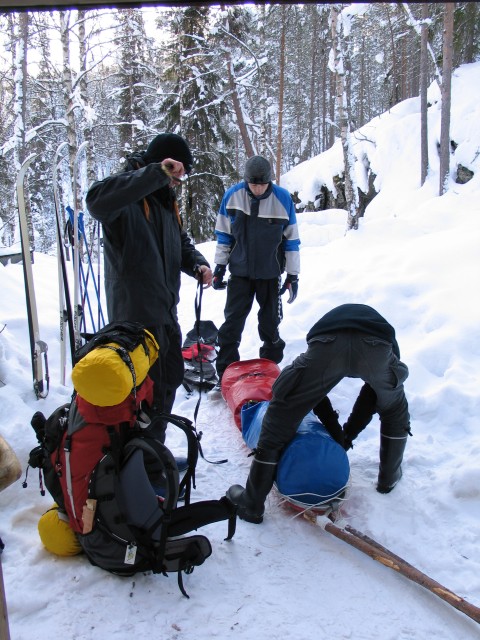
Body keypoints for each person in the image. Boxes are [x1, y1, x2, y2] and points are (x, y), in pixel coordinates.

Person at [227, 303, 411, 523]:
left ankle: (251, 504)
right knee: (394, 410)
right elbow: (372, 399)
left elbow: (315, 396)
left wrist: (339, 435)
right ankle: (388, 478)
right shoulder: (388, 348)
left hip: (327, 342)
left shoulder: (330, 332)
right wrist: (344, 438)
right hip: (377, 346)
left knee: (281, 409)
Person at [86, 133, 213, 440]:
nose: (176, 184)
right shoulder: (127, 196)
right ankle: (139, 458)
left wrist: (197, 264)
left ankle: (153, 453)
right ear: (161, 165)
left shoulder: (165, 202)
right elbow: (96, 202)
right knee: (141, 399)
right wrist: (156, 173)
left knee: (168, 382)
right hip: (135, 322)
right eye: (174, 175)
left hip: (165, 314)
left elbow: (179, 242)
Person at [212, 155, 300, 382]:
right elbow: (224, 235)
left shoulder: (282, 198)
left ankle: (270, 369)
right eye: (253, 184)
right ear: (246, 180)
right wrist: (220, 267)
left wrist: (293, 275)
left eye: (262, 184)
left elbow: (291, 240)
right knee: (232, 324)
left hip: (270, 274)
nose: (258, 189)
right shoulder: (232, 196)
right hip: (240, 273)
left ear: (269, 181)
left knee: (270, 324)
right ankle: (226, 373)